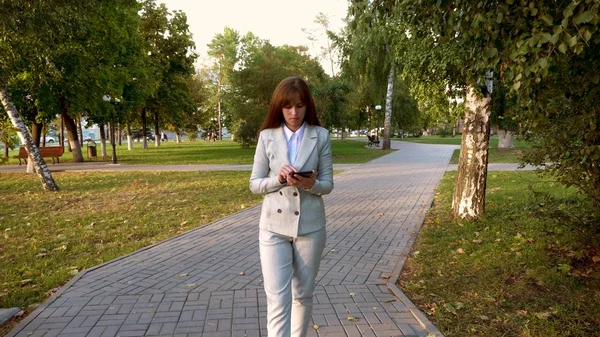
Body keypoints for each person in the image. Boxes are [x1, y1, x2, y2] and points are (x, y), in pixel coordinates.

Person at [250, 76, 334, 337]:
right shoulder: (267, 137)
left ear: (307, 106)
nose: (294, 113)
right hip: (273, 227)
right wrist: (278, 179)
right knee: (277, 297)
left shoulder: (320, 136)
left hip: (310, 226)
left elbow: (328, 184)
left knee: (302, 295)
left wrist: (310, 183)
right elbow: (254, 183)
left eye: (299, 106)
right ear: (279, 107)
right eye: (288, 107)